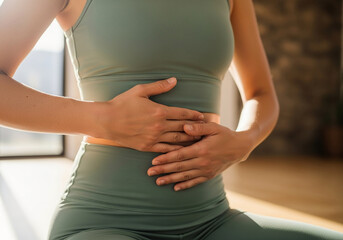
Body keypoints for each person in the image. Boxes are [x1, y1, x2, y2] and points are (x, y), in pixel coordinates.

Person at [0, 0, 342, 239]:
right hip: (103, 223)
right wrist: (102, 118)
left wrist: (244, 141)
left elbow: (261, 94)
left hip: (212, 220)